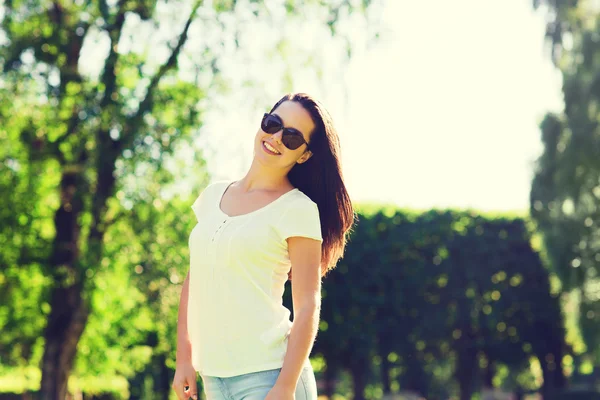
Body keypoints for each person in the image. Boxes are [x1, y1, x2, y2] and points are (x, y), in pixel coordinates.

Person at [172, 93, 355, 400]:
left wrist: (284, 387)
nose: (277, 138)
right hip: (214, 376)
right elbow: (195, 281)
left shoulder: (297, 209)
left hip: (271, 376)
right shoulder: (212, 196)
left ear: (305, 155)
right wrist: (183, 358)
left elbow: (308, 306)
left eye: (293, 137)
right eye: (273, 123)